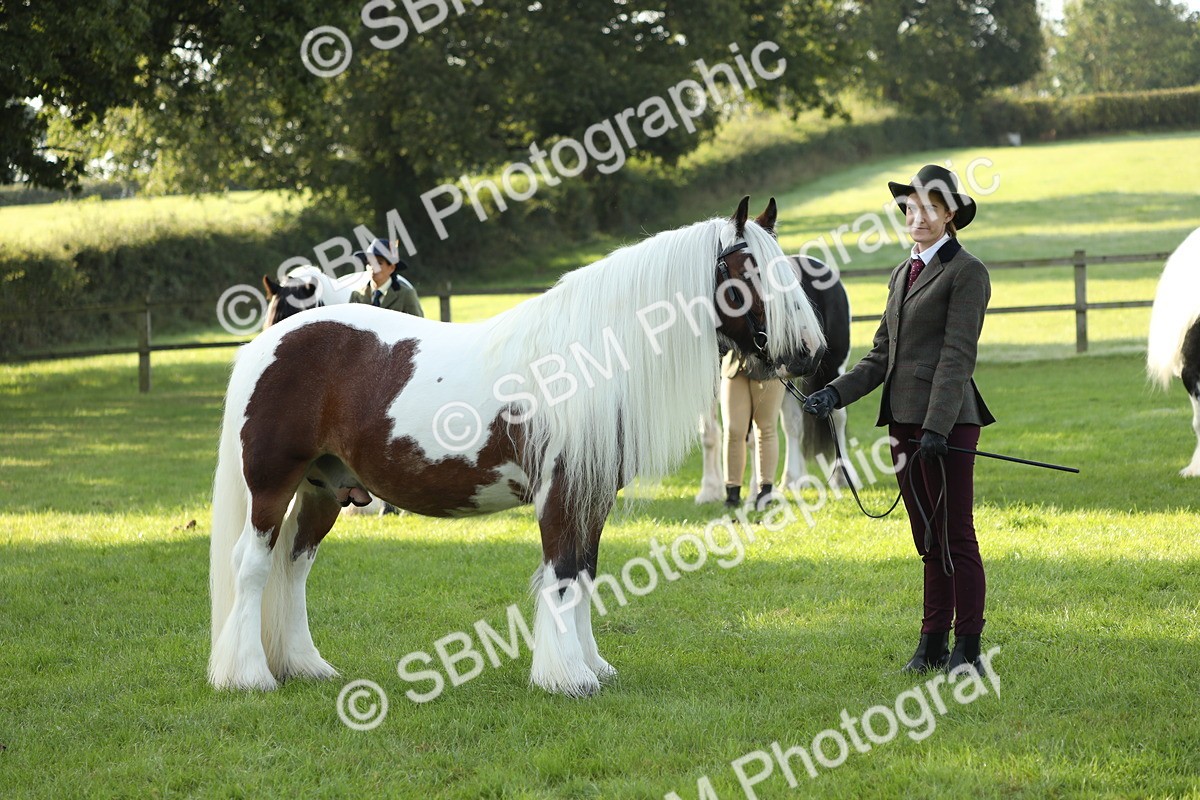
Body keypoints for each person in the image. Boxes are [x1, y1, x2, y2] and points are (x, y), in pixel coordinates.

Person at [803, 164, 995, 676]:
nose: (919, 216)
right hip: (903, 424)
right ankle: (931, 642)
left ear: (950, 213)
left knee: (956, 533)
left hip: (950, 424)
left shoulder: (967, 272)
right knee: (926, 536)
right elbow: (879, 356)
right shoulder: (900, 272)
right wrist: (832, 395)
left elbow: (957, 357)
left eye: (931, 207)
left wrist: (936, 428)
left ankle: (968, 648)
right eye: (911, 207)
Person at [720, 349, 785, 511]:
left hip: (768, 365)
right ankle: (732, 494)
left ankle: (765, 491)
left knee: (766, 428)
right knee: (733, 430)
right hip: (735, 364)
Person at [349, 238, 425, 317]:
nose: (373, 267)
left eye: (379, 263)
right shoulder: (356, 295)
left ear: (391, 268)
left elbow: (418, 325)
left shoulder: (406, 295)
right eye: (369, 262)